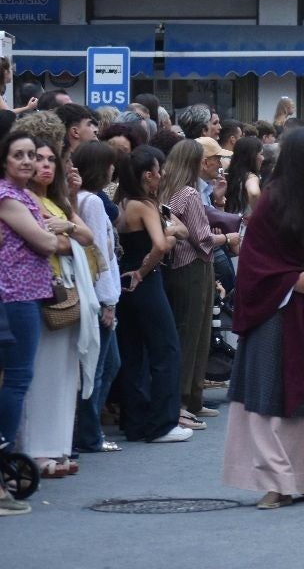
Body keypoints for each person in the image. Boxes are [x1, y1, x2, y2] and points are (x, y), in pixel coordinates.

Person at [222, 128, 304, 509]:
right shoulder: (273, 201)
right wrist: (290, 281)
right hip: (278, 311)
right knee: (269, 390)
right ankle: (275, 481)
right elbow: (254, 259)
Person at [19, 137, 98, 478]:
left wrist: (66, 229)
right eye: (40, 159)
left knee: (66, 374)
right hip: (42, 292)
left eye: (53, 159)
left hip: (66, 290)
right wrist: (67, 237)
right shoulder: (23, 199)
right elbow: (49, 242)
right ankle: (36, 450)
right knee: (41, 374)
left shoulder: (56, 200)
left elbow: (85, 236)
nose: (47, 165)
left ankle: (57, 445)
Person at [114, 145, 192, 444]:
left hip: (122, 282)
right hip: (145, 282)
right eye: (160, 171)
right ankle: (162, 423)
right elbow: (159, 245)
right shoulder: (145, 205)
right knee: (166, 350)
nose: (163, 176)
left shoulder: (120, 202)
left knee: (133, 353)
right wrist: (144, 271)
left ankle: (134, 422)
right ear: (149, 175)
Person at [161, 140, 238, 428]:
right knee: (195, 335)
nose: (217, 164)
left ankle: (190, 400)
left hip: (175, 266)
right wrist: (229, 239)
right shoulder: (190, 193)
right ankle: (186, 401)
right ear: (197, 162)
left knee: (190, 333)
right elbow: (202, 238)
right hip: (193, 265)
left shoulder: (169, 190)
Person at [0, 133, 63, 478]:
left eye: (31, 155)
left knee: (18, 377)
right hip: (14, 295)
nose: (28, 161)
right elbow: (45, 241)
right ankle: (6, 455)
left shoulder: (24, 196)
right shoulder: (8, 197)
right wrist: (52, 235)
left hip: (26, 294)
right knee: (18, 377)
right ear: (4, 160)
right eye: (18, 155)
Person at [72, 141, 123, 454]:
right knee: (99, 367)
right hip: (101, 294)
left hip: (101, 292)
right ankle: (89, 434)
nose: (113, 169)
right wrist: (108, 301)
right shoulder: (90, 202)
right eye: (109, 164)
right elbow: (97, 254)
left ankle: (87, 430)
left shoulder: (82, 199)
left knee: (107, 363)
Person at [224, 136, 264, 218]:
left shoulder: (230, 173)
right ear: (252, 156)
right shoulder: (251, 177)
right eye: (261, 154)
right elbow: (254, 193)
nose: (263, 158)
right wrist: (259, 215)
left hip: (230, 222)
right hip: (245, 226)